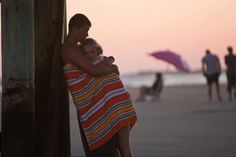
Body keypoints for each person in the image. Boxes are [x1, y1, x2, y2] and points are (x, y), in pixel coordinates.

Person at [61, 13, 137, 157]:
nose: (87, 34)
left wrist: (108, 61)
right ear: (74, 28)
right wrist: (112, 69)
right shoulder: (70, 49)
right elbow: (93, 71)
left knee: (119, 144)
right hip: (93, 103)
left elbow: (96, 61)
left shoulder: (78, 48)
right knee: (119, 147)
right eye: (85, 30)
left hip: (102, 103)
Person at [78, 37, 136, 156]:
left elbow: (112, 63)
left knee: (124, 146)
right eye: (86, 53)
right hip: (108, 110)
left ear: (98, 51)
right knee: (113, 148)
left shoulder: (102, 62)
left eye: (92, 52)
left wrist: (110, 61)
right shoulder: (87, 67)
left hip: (121, 105)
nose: (89, 55)